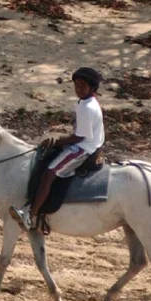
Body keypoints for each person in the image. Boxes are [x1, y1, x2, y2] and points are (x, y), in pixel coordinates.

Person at [11, 67, 104, 230]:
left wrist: (56, 142)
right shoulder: (85, 102)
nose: (78, 89)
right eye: (76, 85)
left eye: (82, 85)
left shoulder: (88, 107)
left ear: (92, 88)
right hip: (86, 142)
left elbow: (79, 137)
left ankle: (30, 215)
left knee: (49, 174)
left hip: (84, 148)